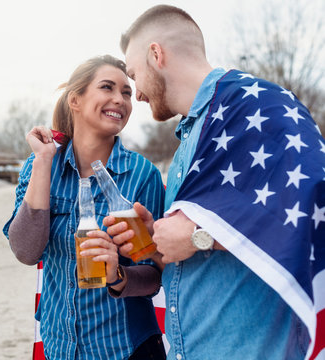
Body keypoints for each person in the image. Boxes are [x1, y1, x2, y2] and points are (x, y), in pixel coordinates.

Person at [104, 4, 325, 360]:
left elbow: (308, 210)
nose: (137, 93)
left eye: (133, 75)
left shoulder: (261, 106)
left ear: (156, 54)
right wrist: (157, 237)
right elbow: (214, 238)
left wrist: (196, 237)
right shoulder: (190, 141)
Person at [2, 55, 167, 359]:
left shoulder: (144, 175)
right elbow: (26, 251)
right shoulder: (40, 165)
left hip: (126, 348)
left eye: (127, 92)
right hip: (59, 347)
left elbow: (156, 272)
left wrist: (119, 277)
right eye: (107, 87)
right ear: (75, 100)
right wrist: (42, 161)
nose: (120, 99)